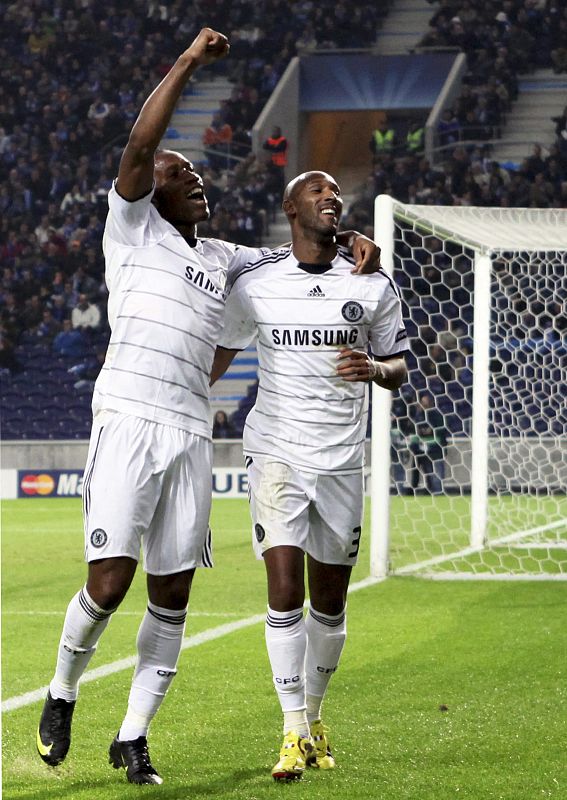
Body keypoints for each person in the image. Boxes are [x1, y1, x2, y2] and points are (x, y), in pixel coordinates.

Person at [36, 28, 382, 787]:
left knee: (173, 592)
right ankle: (62, 690)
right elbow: (138, 146)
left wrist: (350, 240)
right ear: (150, 189)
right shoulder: (130, 231)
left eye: (194, 170)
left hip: (191, 431)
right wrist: (189, 63)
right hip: (128, 415)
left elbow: (302, 254)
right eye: (177, 171)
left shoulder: (227, 260)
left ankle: (132, 735)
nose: (191, 176)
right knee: (108, 583)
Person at [211, 170, 408, 781]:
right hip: (277, 451)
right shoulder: (259, 283)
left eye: (335, 193)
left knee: (330, 602)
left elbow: (401, 364)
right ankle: (293, 729)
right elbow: (217, 354)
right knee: (285, 591)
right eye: (317, 192)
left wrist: (375, 368)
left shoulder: (372, 283)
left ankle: (315, 717)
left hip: (344, 458)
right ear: (291, 208)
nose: (331, 197)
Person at [408, 392, 447, 494]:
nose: (423, 404)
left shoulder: (437, 415)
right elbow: (413, 429)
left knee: (435, 473)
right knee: (423, 471)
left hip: (435, 450)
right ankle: (421, 490)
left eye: (425, 402)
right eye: (422, 402)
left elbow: (441, 431)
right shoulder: (417, 415)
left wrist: (431, 431)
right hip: (420, 450)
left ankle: (437, 492)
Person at [262, 125, 288, 194]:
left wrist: (272, 147)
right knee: (269, 177)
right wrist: (273, 147)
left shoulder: (282, 140)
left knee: (279, 179)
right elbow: (265, 146)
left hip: (279, 163)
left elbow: (279, 148)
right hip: (270, 162)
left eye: (275, 131)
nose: (274, 133)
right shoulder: (270, 139)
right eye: (273, 131)